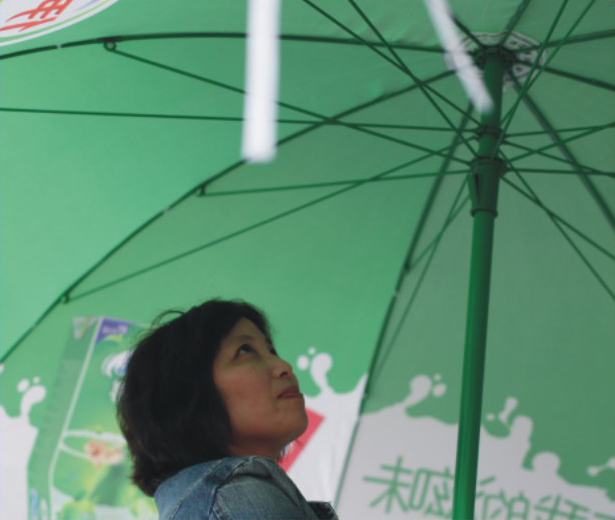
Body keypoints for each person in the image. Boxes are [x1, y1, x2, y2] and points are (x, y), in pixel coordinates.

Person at [116, 299, 338, 519]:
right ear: (186, 395)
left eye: (271, 351)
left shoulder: (211, 501)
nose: (284, 367)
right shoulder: (236, 497)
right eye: (245, 350)